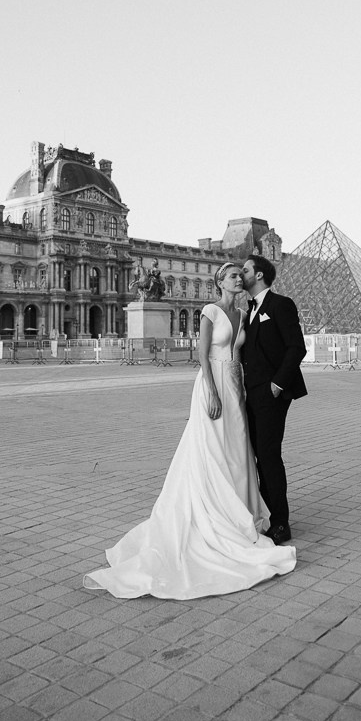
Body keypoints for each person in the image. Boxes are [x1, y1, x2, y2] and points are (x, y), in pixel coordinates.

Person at [83, 261, 296, 599]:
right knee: (211, 449)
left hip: (236, 387)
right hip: (213, 384)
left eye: (241, 274)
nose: (238, 278)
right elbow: (202, 353)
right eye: (232, 275)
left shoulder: (244, 314)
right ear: (219, 282)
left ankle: (242, 513)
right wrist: (211, 390)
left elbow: (255, 351)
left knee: (238, 451)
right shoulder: (209, 310)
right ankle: (215, 513)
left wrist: (258, 386)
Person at [241, 255, 307, 546]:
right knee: (259, 456)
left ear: (258, 275)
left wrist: (278, 384)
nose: (240, 274)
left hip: (272, 392)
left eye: (244, 270)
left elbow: (297, 347)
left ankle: (281, 522)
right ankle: (267, 514)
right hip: (250, 393)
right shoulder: (249, 309)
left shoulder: (281, 304)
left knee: (268, 455)